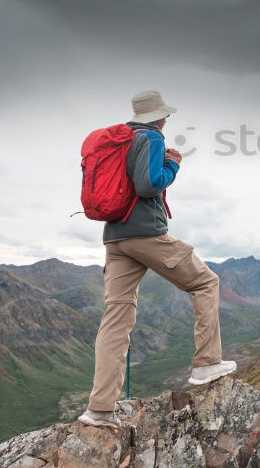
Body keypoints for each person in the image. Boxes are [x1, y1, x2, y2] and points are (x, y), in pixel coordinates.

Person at [78, 90, 236, 429]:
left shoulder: (119, 139)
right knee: (206, 282)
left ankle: (100, 409)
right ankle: (207, 362)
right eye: (166, 115)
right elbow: (149, 185)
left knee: (116, 318)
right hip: (145, 232)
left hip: (116, 237)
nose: (167, 120)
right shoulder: (150, 137)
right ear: (159, 117)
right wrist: (173, 164)